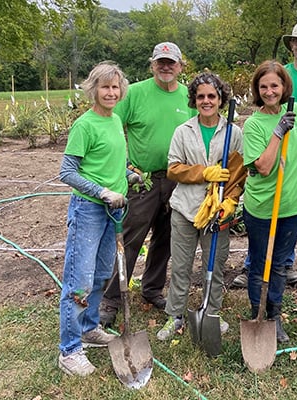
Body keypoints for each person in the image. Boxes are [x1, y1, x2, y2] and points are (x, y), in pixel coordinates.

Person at [100, 42, 196, 326]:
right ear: (153, 64)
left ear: (180, 66)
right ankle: (111, 299)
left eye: (171, 62)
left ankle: (152, 289)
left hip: (177, 179)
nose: (166, 67)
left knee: (166, 239)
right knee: (130, 239)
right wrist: (125, 164)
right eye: (161, 62)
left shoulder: (186, 96)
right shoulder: (136, 93)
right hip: (143, 179)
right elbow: (113, 126)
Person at [232, 20, 297, 289]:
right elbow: (261, 165)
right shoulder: (278, 75)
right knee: (262, 241)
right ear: (292, 45)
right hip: (272, 163)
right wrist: (277, 130)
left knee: (287, 222)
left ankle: (283, 266)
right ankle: (255, 267)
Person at [156, 72, 246, 340]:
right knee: (181, 266)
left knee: (214, 265)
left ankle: (211, 313)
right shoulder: (183, 132)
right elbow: (173, 169)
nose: (206, 101)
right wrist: (205, 173)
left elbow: (238, 172)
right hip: (185, 209)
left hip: (217, 211)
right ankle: (175, 315)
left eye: (212, 96)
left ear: (221, 99)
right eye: (200, 96)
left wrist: (230, 201)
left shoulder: (234, 132)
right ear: (194, 101)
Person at [58, 61, 129, 376]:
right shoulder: (84, 124)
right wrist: (101, 191)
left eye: (115, 87)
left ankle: (88, 328)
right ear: (93, 90)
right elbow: (67, 172)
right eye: (105, 87)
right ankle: (69, 350)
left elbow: (107, 162)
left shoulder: (114, 121)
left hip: (113, 211)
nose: (111, 92)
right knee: (79, 281)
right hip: (89, 209)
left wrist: (129, 174)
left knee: (101, 274)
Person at [242, 60, 297, 343]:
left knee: (282, 263)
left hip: (292, 206)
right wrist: (277, 132)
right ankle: (257, 311)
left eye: (275, 85)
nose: (270, 91)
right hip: (262, 207)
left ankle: (274, 315)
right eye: (264, 87)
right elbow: (263, 167)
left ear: (284, 87)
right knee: (260, 264)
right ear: (257, 91)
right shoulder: (253, 123)